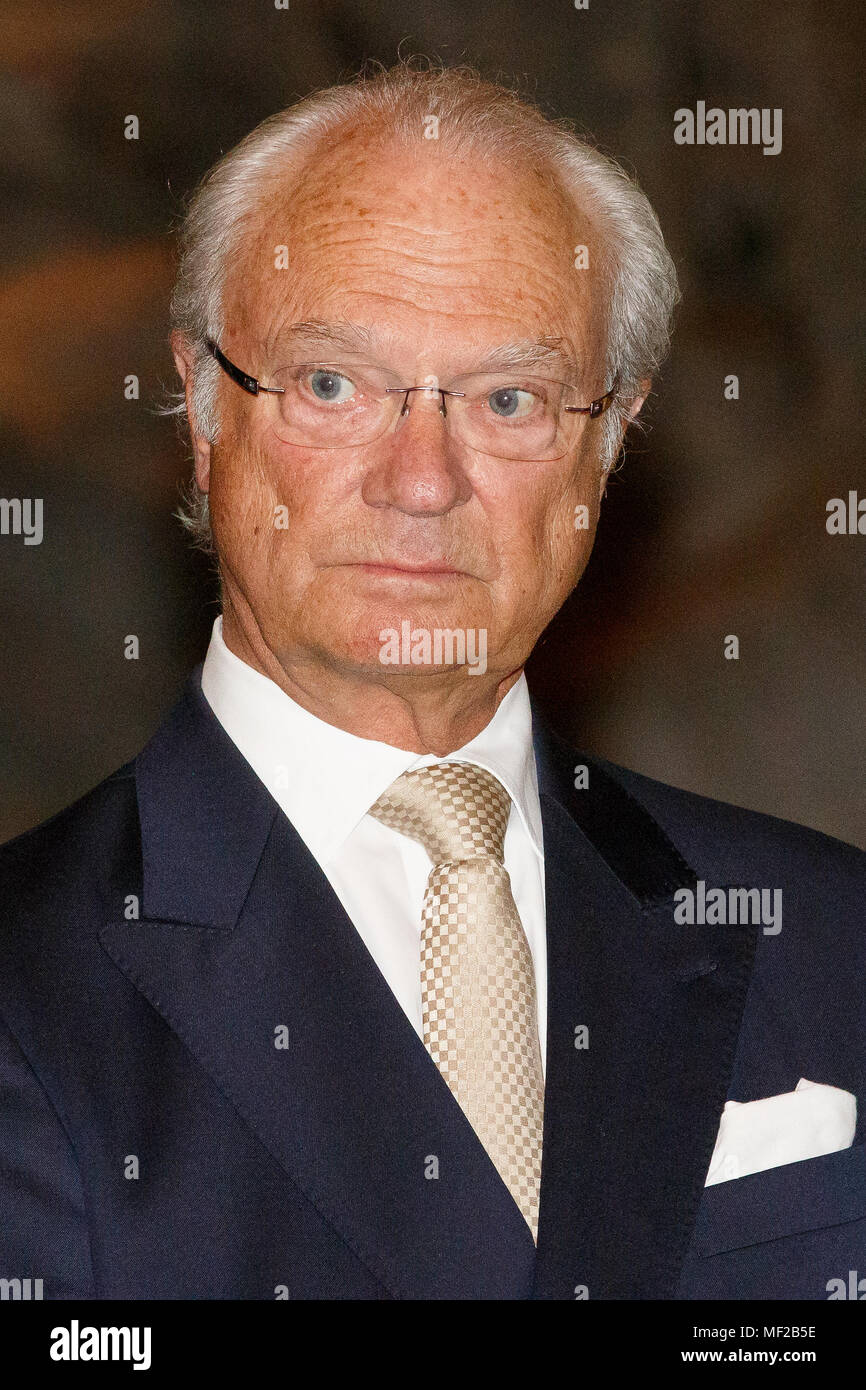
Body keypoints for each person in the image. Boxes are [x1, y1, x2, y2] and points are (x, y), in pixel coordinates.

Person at [1, 61, 863, 1301]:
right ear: (200, 407)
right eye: (333, 384)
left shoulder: (827, 937)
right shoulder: (31, 987)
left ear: (608, 445)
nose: (421, 479)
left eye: (508, 397)